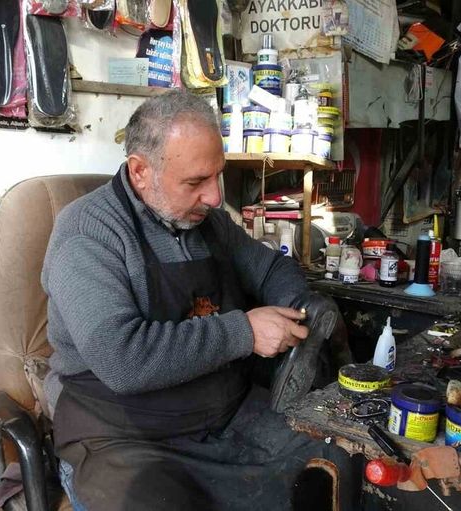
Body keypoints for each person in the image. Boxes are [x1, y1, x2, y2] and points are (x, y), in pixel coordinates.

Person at [42, 89, 354, 511]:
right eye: (195, 182)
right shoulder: (88, 233)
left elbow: (270, 269)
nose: (214, 197)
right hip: (125, 436)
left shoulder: (209, 223)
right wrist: (244, 332)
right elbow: (122, 360)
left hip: (226, 414)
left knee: (336, 461)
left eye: (217, 176)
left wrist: (301, 307)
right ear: (140, 171)